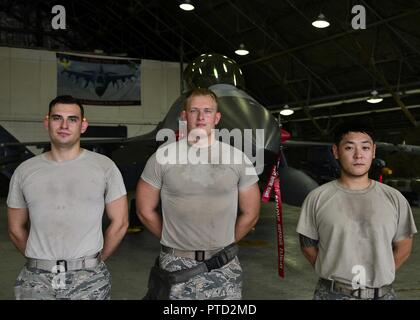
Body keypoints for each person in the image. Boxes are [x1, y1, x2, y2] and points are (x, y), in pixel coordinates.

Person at [136, 88, 260, 300]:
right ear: (184, 116)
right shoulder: (162, 157)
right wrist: (174, 240)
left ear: (217, 117)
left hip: (224, 266)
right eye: (194, 111)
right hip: (175, 267)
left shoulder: (239, 159)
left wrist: (226, 243)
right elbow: (144, 210)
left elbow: (251, 213)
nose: (201, 117)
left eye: (208, 111)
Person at [7, 95, 128, 300]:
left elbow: (121, 222)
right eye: (57, 118)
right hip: (36, 279)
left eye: (72, 119)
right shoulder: (25, 171)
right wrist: (40, 262)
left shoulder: (105, 167)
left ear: (83, 125)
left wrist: (94, 262)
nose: (64, 125)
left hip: (90, 280)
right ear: (47, 122)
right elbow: (15, 228)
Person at [297, 122, 417, 300]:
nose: (359, 155)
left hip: (382, 295)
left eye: (365, 148)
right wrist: (335, 272)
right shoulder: (317, 198)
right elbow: (308, 246)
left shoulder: (394, 198)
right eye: (349, 147)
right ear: (336, 152)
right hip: (332, 295)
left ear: (374, 151)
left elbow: (404, 248)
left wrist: (378, 275)